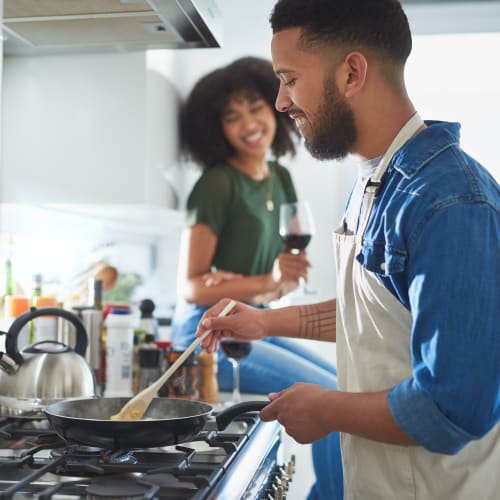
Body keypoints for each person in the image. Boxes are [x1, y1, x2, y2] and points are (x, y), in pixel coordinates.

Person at [196, 1, 500, 499]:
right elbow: (385, 319)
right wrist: (264, 322)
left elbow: (454, 407)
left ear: (352, 73)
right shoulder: (376, 183)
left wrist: (324, 409)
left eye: (289, 79)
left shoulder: (449, 202)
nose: (280, 102)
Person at [170, 56, 343, 498]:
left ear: (275, 107)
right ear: (216, 129)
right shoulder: (216, 184)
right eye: (232, 116)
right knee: (332, 401)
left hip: (254, 320)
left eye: (254, 107)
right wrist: (265, 280)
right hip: (206, 333)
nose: (248, 123)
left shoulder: (279, 176)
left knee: (347, 389)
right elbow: (192, 286)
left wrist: (272, 282)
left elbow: (282, 282)